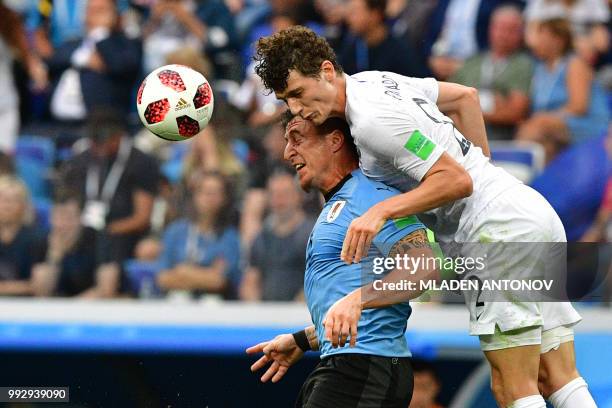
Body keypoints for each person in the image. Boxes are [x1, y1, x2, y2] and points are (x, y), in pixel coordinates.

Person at [254, 26, 593, 408]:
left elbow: (458, 180)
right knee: (559, 377)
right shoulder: (377, 82)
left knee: (513, 386)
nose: (296, 108)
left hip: (494, 230)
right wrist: (488, 177)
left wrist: (384, 210)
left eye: (298, 93)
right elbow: (466, 97)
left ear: (327, 70)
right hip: (524, 208)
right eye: (287, 100)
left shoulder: (370, 123)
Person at [247, 113, 437, 407]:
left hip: (365, 367)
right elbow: (355, 312)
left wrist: (358, 298)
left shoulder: (370, 195)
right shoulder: (338, 204)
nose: (288, 152)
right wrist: (304, 340)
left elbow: (424, 267)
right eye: (286, 142)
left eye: (297, 139)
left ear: (335, 141)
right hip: (348, 363)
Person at [59, 108, 159, 296]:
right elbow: (66, 203)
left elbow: (142, 217)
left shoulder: (140, 162)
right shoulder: (80, 161)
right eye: (95, 142)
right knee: (59, 242)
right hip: (84, 228)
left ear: (119, 136)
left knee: (109, 243)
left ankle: (106, 293)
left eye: (104, 141)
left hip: (123, 232)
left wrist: (109, 230)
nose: (99, 148)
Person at [517, 18, 609, 162]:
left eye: (543, 36)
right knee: (543, 145)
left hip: (586, 123)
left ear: (558, 40)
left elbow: (579, 107)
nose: (537, 41)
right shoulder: (539, 69)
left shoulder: (574, 64)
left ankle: (515, 172)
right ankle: (534, 180)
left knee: (538, 126)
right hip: (553, 127)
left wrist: (544, 118)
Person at [451, 5, 533, 141]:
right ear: (491, 29)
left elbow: (516, 112)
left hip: (498, 135)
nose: (504, 35)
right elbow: (447, 101)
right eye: (500, 28)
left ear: (521, 34)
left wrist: (466, 109)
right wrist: (494, 106)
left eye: (511, 30)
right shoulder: (471, 62)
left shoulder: (523, 64)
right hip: (458, 133)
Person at [156, 172, 241, 299]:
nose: (210, 197)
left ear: (224, 199)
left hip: (216, 305)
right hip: (176, 303)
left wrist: (183, 271)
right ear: (195, 195)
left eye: (215, 192)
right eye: (205, 192)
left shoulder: (229, 237)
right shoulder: (175, 231)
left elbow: (219, 281)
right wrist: (205, 276)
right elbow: (162, 278)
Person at [239, 171, 314, 301]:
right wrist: (255, 308)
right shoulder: (261, 238)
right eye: (274, 195)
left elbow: (318, 280)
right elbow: (251, 280)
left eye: (285, 194)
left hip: (303, 312)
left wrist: (293, 311)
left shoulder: (313, 235)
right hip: (267, 314)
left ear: (298, 196)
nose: (279, 201)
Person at [30, 189, 99, 297]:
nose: (62, 224)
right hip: (55, 309)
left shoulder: (98, 239)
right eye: (57, 217)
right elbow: (41, 292)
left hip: (92, 308)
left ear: (81, 218)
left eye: (69, 217)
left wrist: (69, 310)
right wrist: (54, 256)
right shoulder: (42, 240)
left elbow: (105, 289)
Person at [338, 0, 427, 77]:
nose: (349, 17)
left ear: (375, 14)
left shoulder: (400, 52)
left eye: (355, 12)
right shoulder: (352, 48)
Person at [0, 176, 45, 296]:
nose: (7, 205)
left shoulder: (38, 238)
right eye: (3, 199)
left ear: (24, 205)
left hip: (26, 307)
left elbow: (38, 286)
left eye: (13, 200)